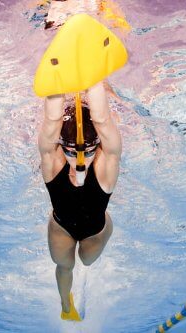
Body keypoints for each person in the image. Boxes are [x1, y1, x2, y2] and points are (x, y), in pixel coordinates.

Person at [38, 81, 122, 320]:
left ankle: (104, 231)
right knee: (64, 264)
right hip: (61, 227)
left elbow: (104, 121)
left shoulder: (106, 166)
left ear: (97, 147)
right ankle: (66, 306)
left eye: (86, 153)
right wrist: (58, 76)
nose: (78, 162)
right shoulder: (52, 162)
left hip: (96, 231)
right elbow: (52, 121)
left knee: (86, 260)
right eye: (71, 153)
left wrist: (93, 80)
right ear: (61, 147)